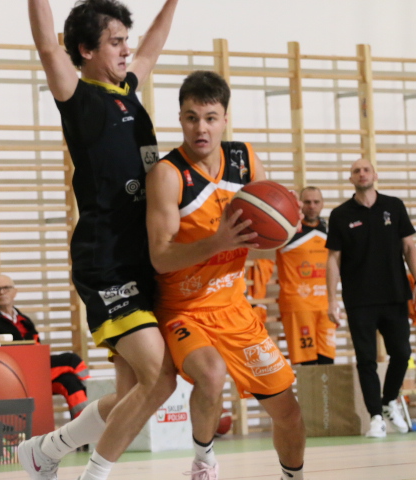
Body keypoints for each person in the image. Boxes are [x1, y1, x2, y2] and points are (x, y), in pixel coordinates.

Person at [18, 1, 179, 480]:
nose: (127, 50)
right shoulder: (79, 97)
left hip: (142, 259)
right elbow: (48, 46)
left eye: (126, 41)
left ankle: (45, 450)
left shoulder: (127, 89)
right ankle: (93, 475)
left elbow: (152, 46)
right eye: (115, 42)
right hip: (105, 260)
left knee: (134, 393)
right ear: (87, 50)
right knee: (160, 378)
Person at [146, 70, 305, 480]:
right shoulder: (168, 175)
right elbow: (160, 258)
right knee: (211, 373)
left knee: (288, 412)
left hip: (234, 309)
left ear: (225, 119)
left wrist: (288, 224)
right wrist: (217, 242)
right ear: (180, 119)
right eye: (191, 118)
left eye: (210, 118)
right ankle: (204, 462)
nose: (201, 128)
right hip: (183, 310)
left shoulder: (245, 160)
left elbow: (267, 236)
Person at [326, 158, 416, 438]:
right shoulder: (340, 214)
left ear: (375, 175)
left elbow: (409, 247)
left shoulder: (394, 206)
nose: (362, 173)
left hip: (395, 294)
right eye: (356, 171)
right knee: (366, 359)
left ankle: (388, 400)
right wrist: (331, 299)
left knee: (402, 353)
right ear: (351, 179)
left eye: (366, 169)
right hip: (359, 299)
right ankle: (375, 418)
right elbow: (333, 258)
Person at [0, 275, 91, 419]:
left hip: (34, 371)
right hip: (10, 373)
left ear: (14, 292)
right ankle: (92, 389)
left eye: (6, 288)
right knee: (71, 360)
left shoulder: (25, 321)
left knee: (70, 381)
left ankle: (84, 425)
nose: (2, 292)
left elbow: (38, 350)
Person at [275, 186, 335, 365]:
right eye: (307, 202)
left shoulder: (330, 232)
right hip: (298, 304)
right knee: (307, 363)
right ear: (300, 204)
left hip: (326, 306)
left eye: (316, 202)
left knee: (327, 360)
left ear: (322, 204)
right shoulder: (287, 231)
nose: (312, 206)